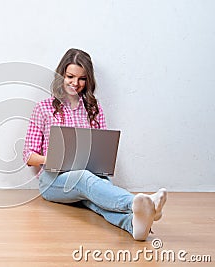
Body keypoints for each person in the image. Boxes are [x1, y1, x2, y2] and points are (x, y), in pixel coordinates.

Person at [22, 48, 167, 241]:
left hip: (89, 175)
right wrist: (51, 158)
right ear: (61, 75)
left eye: (82, 78)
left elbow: (102, 148)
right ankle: (137, 203)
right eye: (70, 76)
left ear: (88, 80)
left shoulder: (93, 108)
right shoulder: (44, 108)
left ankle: (134, 225)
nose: (76, 83)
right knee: (83, 178)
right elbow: (28, 156)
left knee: (96, 195)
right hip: (53, 181)